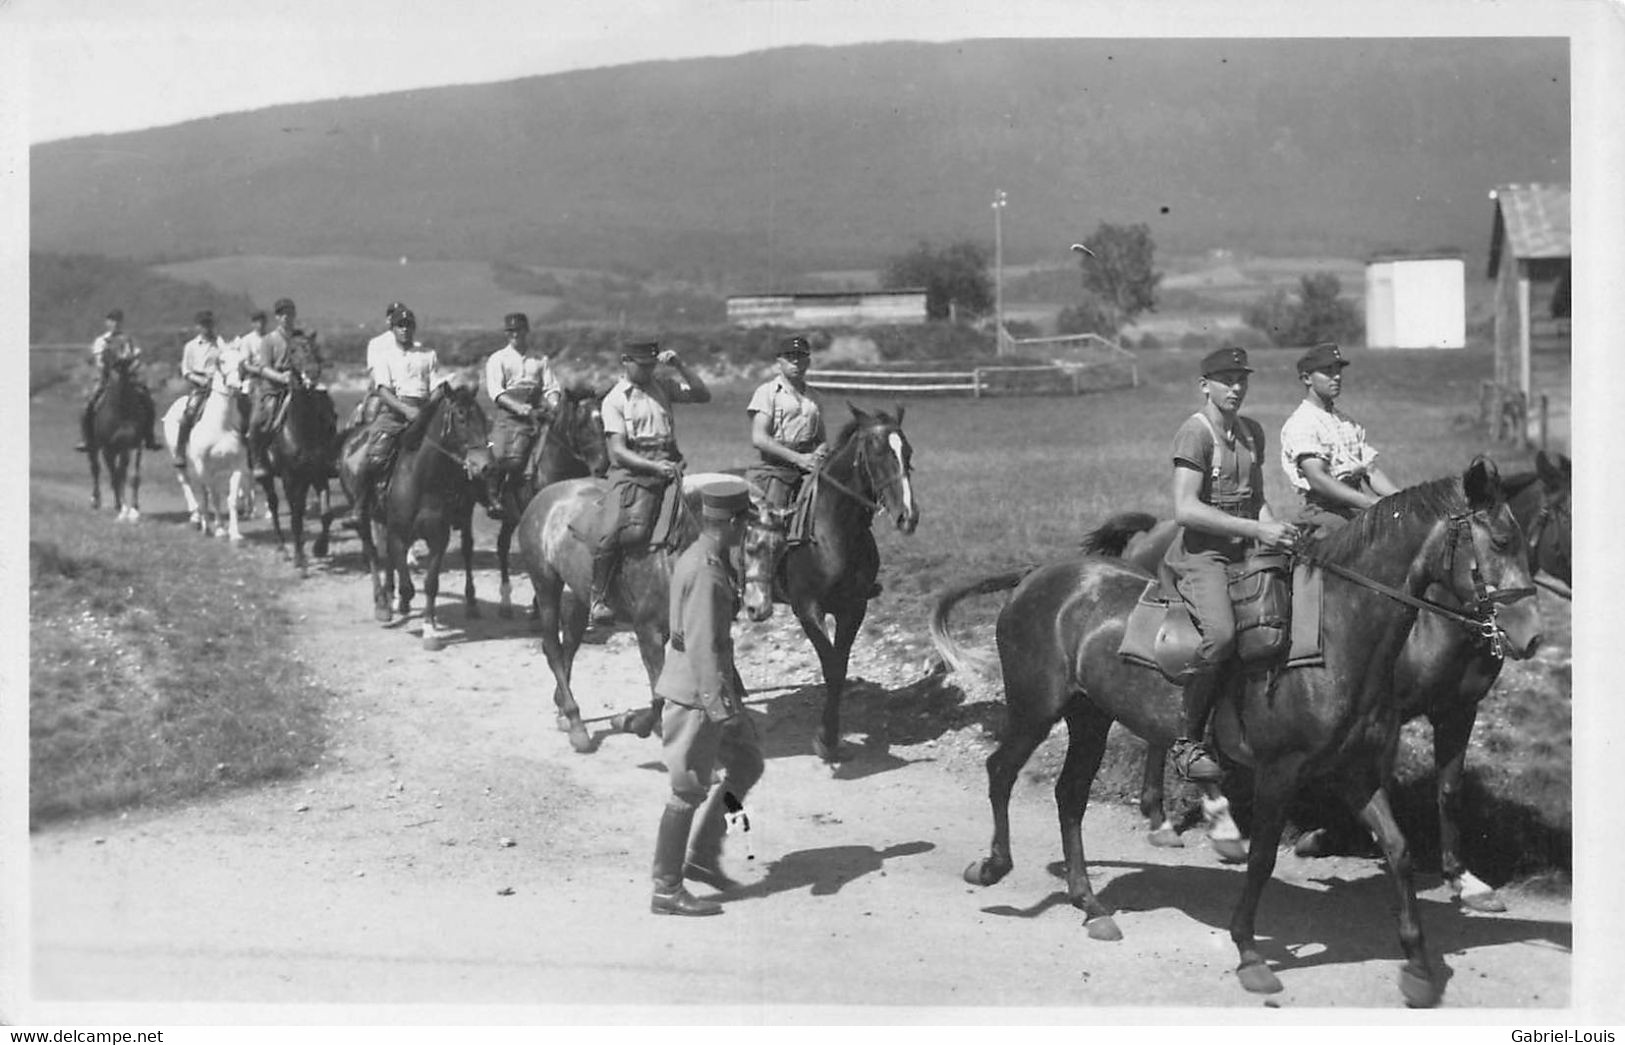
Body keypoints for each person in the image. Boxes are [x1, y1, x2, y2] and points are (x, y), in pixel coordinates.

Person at [1162, 347, 1298, 783]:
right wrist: (1258, 532)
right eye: (1225, 379)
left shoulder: (1252, 432)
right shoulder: (1194, 434)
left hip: (1245, 550)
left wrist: (1276, 532)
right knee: (1221, 637)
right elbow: (1185, 509)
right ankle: (1186, 741)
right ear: (1205, 386)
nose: (1236, 387)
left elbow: (1256, 501)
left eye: (1242, 379)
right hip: (1203, 555)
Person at [648, 475, 765, 917]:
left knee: (747, 762)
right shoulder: (705, 571)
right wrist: (721, 709)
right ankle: (666, 887)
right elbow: (701, 646)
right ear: (732, 523)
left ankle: (704, 852)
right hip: (696, 693)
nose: (746, 530)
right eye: (744, 523)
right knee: (687, 788)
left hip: (710, 687)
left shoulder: (704, 556)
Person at [588, 339, 712, 625]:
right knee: (614, 531)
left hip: (671, 467)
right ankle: (600, 596)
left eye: (651, 365)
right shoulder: (615, 399)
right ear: (625, 361)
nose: (646, 371)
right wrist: (654, 467)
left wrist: (680, 365)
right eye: (641, 365)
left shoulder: (663, 386)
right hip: (633, 474)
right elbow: (617, 451)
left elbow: (702, 394)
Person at [1278, 341, 1400, 534]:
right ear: (1307, 378)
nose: (1336, 377)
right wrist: (1370, 502)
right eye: (1327, 371)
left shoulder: (1347, 422)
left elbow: (1371, 471)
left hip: (1355, 506)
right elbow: (1318, 479)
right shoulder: (1302, 423)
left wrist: (1404, 501)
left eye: (1338, 370)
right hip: (1324, 512)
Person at [335, 306, 441, 527]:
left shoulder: (427, 355)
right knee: (373, 457)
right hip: (394, 413)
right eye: (400, 326)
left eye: (408, 325)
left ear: (414, 328)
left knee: (456, 449)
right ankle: (360, 507)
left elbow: (437, 385)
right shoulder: (385, 357)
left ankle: (460, 504)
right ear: (393, 329)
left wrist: (428, 407)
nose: (404, 330)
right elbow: (383, 390)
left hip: (424, 410)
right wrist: (406, 410)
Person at [482, 312, 561, 520]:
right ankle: (494, 497)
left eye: (518, 330)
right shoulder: (498, 359)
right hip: (508, 417)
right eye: (510, 331)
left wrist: (553, 402)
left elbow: (551, 386)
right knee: (499, 456)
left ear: (526, 331)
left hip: (536, 414)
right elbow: (496, 392)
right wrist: (518, 407)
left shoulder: (540, 359)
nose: (514, 335)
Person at [244, 298, 329, 479]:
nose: (286, 317)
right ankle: (258, 459)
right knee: (256, 421)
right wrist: (280, 377)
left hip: (300, 386)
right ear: (277, 317)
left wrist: (312, 372)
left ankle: (328, 452)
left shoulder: (301, 338)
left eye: (289, 313)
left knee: (326, 409)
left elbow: (312, 359)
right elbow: (264, 368)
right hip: (275, 388)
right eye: (282, 314)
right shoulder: (269, 340)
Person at [745, 334, 828, 512]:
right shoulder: (767, 392)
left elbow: (821, 437)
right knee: (775, 516)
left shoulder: (815, 397)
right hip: (776, 466)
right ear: (779, 362)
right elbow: (759, 438)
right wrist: (798, 459)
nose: (796, 362)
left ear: (808, 361)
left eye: (801, 357)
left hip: (810, 465)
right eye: (790, 357)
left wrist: (820, 452)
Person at [76, 308, 163, 452]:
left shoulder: (129, 340)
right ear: (107, 323)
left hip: (128, 377)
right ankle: (87, 439)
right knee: (87, 405)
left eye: (118, 321)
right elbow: (99, 361)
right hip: (106, 378)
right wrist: (108, 371)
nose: (115, 324)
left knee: (147, 401)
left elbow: (137, 358)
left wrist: (131, 369)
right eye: (112, 321)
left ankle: (149, 437)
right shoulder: (101, 341)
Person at [172, 310, 228, 465]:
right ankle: (180, 451)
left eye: (209, 324)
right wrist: (200, 380)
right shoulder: (191, 346)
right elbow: (186, 370)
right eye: (203, 325)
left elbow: (227, 359)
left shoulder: (220, 343)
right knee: (189, 413)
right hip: (200, 386)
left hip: (220, 384)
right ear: (198, 327)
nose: (207, 327)